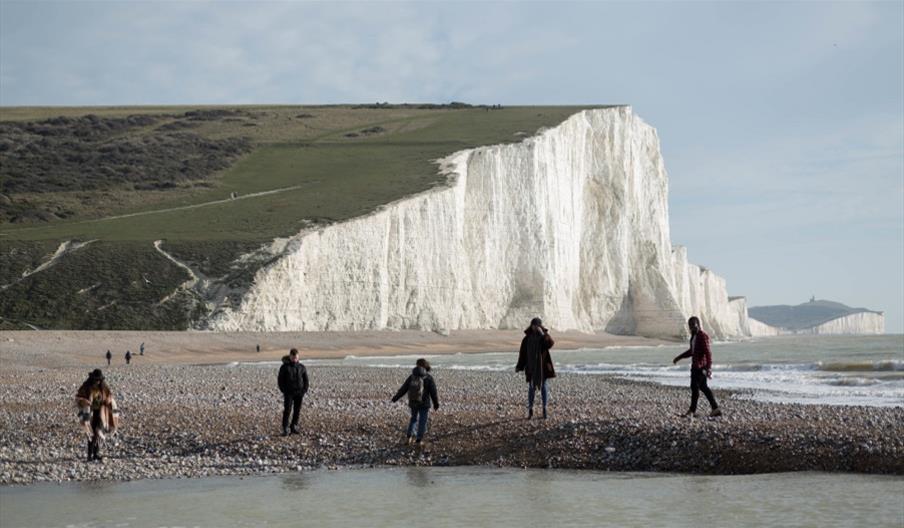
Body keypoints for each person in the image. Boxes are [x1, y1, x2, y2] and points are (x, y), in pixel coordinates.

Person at [673, 316, 722, 417]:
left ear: (698, 325)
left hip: (700, 367)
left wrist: (708, 368)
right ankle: (715, 408)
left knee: (694, 387)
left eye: (694, 325)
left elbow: (708, 353)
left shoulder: (702, 336)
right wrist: (679, 357)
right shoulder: (694, 337)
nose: (692, 328)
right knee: (703, 387)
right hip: (695, 366)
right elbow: (692, 351)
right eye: (690, 326)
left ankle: (692, 411)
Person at [391, 358, 439, 446]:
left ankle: (409, 437)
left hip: (413, 402)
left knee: (413, 419)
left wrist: (396, 397)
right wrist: (436, 403)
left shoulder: (411, 376)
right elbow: (433, 392)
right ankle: (418, 440)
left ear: (417, 365)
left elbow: (404, 388)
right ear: (426, 366)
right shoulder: (428, 377)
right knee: (422, 421)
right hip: (424, 403)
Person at [75, 369, 120, 462]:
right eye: (96, 380)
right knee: (91, 433)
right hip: (90, 413)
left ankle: (96, 454)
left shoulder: (103, 386)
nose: (98, 381)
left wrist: (108, 400)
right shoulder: (86, 386)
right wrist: (84, 401)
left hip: (100, 412)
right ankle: (89, 455)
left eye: (99, 380)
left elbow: (109, 395)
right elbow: (79, 397)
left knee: (98, 432)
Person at [516, 317, 556, 419]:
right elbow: (523, 354)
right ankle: (530, 409)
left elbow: (550, 343)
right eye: (534, 325)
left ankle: (544, 409)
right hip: (531, 367)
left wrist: (543, 334)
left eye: (537, 326)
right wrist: (519, 366)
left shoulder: (544, 337)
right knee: (531, 388)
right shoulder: (526, 339)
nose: (535, 328)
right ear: (531, 326)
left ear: (540, 326)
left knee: (544, 387)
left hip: (542, 368)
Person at [277, 348, 309, 436]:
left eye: (296, 357)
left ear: (298, 357)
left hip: (299, 392)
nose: (294, 359)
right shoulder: (284, 367)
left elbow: (306, 380)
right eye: (293, 357)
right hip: (288, 393)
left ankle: (294, 426)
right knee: (287, 410)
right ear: (290, 356)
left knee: (297, 410)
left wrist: (304, 390)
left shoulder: (301, 367)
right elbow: (280, 380)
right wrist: (284, 390)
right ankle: (285, 428)